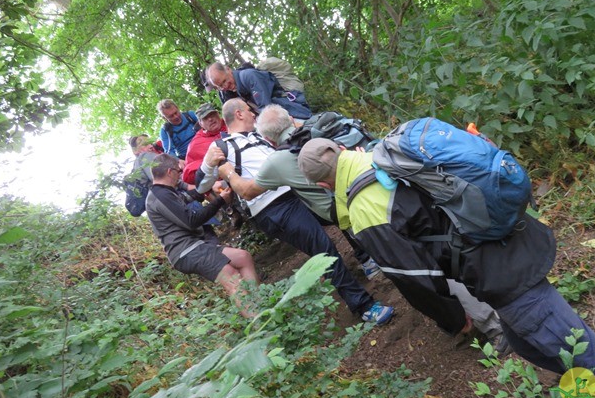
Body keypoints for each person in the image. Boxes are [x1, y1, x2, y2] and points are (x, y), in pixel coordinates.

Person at [297, 138, 595, 387]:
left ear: (324, 186)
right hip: (501, 249)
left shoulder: (363, 209)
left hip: (499, 273)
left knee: (582, 352)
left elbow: (415, 278)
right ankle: (589, 393)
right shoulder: (382, 153)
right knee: (531, 345)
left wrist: (453, 317)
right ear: (340, 149)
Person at [216, 104, 506, 346]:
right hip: (387, 182)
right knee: (438, 244)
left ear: (268, 140)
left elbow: (246, 191)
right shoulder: (326, 135)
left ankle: (492, 327)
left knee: (417, 263)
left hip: (359, 210)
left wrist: (227, 171)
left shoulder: (278, 161)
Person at [195, 98, 393, 325]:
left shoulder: (261, 135)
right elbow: (201, 186)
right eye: (249, 111)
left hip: (295, 191)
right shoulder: (222, 146)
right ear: (239, 114)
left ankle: (367, 259)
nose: (253, 114)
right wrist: (208, 166)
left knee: (337, 211)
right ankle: (363, 306)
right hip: (272, 207)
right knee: (323, 248)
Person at [145, 153, 258, 318]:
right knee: (232, 278)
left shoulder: (166, 192)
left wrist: (210, 186)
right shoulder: (160, 196)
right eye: (178, 171)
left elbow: (191, 196)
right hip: (186, 251)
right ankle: (260, 322)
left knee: (243, 257)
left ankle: (260, 303)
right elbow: (191, 220)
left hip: (194, 247)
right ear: (169, 172)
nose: (180, 175)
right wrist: (219, 200)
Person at [206, 62, 312, 121]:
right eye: (220, 86)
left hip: (294, 113)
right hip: (282, 118)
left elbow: (266, 108)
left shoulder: (249, 76)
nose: (225, 86)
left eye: (224, 81)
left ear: (228, 69)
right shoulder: (236, 89)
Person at [182, 103, 228, 185]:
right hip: (225, 180)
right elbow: (189, 175)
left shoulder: (232, 122)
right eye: (205, 118)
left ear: (218, 114)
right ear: (200, 124)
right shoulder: (196, 144)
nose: (210, 119)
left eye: (212, 115)